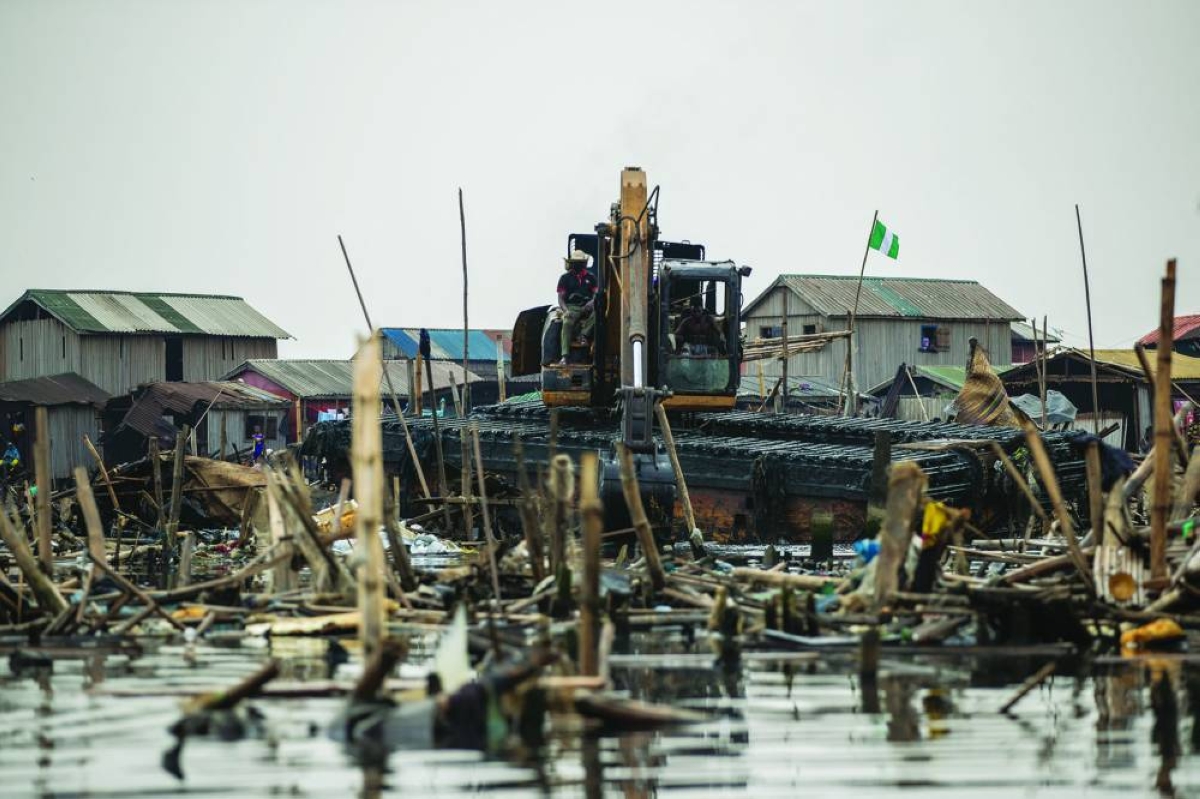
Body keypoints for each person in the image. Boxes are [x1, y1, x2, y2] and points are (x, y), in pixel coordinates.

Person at [556, 249, 597, 363]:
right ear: (572, 263)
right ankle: (565, 355)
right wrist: (566, 311)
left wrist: (592, 302)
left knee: (599, 313)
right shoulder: (565, 278)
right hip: (572, 307)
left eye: (580, 262)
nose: (578, 264)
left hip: (588, 307)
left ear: (584, 263)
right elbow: (560, 298)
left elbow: (596, 295)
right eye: (575, 262)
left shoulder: (591, 277)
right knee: (567, 322)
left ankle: (583, 335)